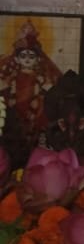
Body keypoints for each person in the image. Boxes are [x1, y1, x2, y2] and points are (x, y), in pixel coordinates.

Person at [0, 20, 62, 151]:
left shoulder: (42, 77)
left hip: (35, 113)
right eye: (23, 56)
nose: (27, 59)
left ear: (38, 59)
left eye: (31, 56)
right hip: (15, 113)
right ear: (16, 59)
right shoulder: (12, 77)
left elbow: (51, 91)